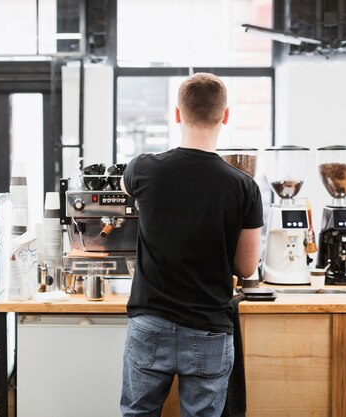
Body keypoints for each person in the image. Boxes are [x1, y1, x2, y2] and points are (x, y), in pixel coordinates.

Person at [120, 73, 263, 417]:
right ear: (225, 116)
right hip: (208, 329)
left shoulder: (143, 169)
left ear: (177, 114)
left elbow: (126, 191)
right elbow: (246, 267)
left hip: (150, 323)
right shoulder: (243, 187)